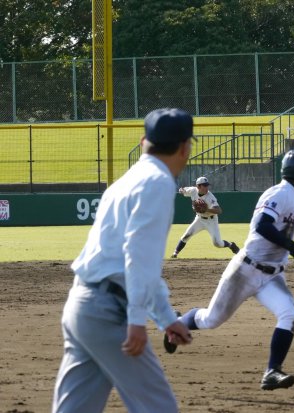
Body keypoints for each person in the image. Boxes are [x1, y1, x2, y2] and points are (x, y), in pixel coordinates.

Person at [52, 108, 195, 413]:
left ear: (144, 141)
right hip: (109, 313)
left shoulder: (125, 181)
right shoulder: (158, 182)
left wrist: (166, 318)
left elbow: (135, 262)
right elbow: (139, 257)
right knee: (159, 408)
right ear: (185, 148)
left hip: (81, 307)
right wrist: (137, 321)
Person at [164, 148, 294, 391]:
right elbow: (261, 225)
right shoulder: (280, 193)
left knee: (289, 314)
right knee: (211, 319)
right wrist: (292, 246)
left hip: (272, 275)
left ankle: (272, 371)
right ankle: (176, 322)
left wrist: (293, 251)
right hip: (245, 270)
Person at [171, 176, 239, 258]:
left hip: (211, 221)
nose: (207, 187)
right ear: (198, 186)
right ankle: (175, 254)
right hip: (199, 219)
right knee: (186, 235)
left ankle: (230, 245)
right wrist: (181, 190)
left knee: (217, 243)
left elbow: (219, 211)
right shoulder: (193, 190)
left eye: (207, 185)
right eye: (204, 185)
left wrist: (207, 209)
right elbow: (182, 190)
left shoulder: (210, 197)